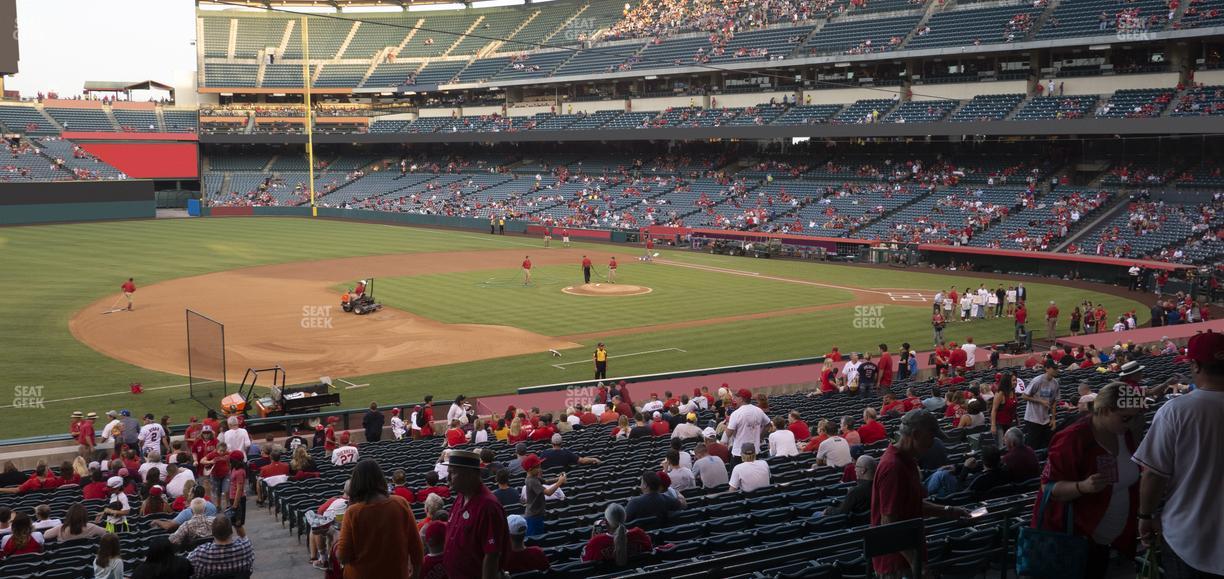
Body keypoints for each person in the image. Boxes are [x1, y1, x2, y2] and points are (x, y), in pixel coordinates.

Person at [1133, 331, 1224, 578]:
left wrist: (1145, 515)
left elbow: (1153, 474)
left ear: (1195, 365)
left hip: (1189, 539)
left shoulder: (1176, 410)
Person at [1033, 382, 1144, 579]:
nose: (1131, 423)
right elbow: (1048, 487)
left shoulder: (1124, 433)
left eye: (1136, 417)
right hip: (1076, 541)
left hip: (1106, 542)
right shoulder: (1072, 437)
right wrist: (1082, 487)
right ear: (1105, 410)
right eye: (1126, 418)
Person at [871, 410, 971, 576]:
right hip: (897, 565)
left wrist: (950, 511)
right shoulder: (893, 467)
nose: (933, 443)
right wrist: (915, 563)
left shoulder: (908, 460)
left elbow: (912, 504)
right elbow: (888, 523)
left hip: (908, 560)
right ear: (916, 435)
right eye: (931, 437)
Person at [336, 459, 424, 579]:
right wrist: (416, 574)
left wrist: (335, 542)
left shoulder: (352, 512)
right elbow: (416, 546)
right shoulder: (400, 503)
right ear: (380, 478)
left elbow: (343, 556)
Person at [443, 449, 509, 579]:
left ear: (470, 474)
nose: (448, 478)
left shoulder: (488, 506)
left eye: (453, 473)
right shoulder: (460, 497)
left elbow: (492, 555)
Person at [582, 503, 653, 565]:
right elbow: (650, 550)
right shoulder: (639, 534)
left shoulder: (596, 542)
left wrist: (593, 539)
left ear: (606, 522)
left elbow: (586, 561)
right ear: (625, 518)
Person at [186, 516, 254, 579]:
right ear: (231, 531)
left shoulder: (200, 554)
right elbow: (244, 537)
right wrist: (238, 526)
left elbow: (185, 564)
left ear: (213, 533)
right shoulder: (245, 547)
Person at [520, 454, 565, 537]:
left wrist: (558, 479)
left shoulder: (534, 477)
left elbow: (546, 481)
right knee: (534, 538)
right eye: (537, 467)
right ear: (530, 469)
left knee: (539, 536)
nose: (540, 469)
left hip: (537, 514)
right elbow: (548, 492)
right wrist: (559, 482)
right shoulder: (532, 481)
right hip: (533, 516)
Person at [1021, 362, 1061, 449]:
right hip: (1032, 419)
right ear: (1047, 369)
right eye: (1054, 368)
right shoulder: (1037, 381)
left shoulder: (1055, 383)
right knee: (1033, 447)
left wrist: (1053, 419)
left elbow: (1054, 402)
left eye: (1057, 368)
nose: (1056, 370)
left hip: (1045, 420)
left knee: (1046, 446)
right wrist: (1040, 401)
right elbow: (1024, 396)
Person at [725, 388, 770, 464]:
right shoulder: (758, 410)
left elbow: (728, 434)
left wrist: (727, 423)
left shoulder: (736, 413)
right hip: (755, 451)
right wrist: (760, 437)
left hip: (739, 453)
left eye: (737, 397)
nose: (735, 399)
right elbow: (768, 424)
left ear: (741, 399)